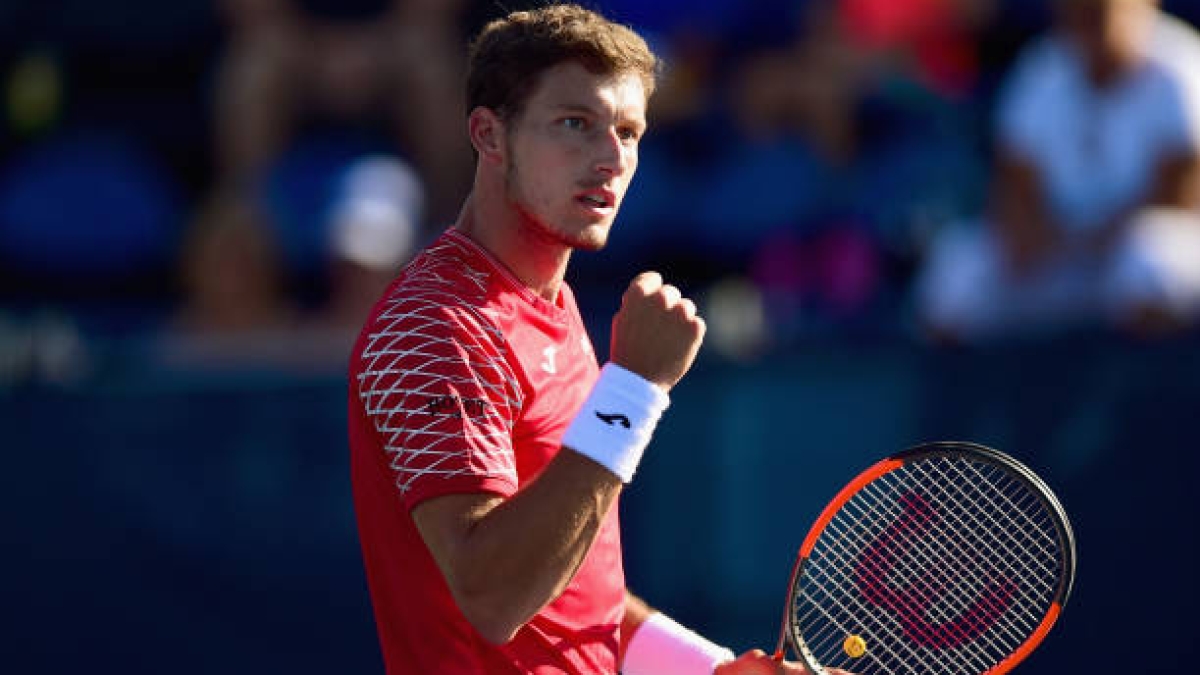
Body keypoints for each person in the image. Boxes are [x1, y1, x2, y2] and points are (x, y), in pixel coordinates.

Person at [348, 5, 824, 674]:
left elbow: (574, 593)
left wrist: (712, 668)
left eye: (628, 132)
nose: (611, 158)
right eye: (575, 123)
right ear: (489, 134)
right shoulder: (434, 325)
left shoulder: (554, 302)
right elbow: (493, 595)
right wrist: (632, 390)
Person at [916, 0, 1200, 342]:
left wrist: (1098, 238)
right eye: (1078, 10)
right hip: (1060, 255)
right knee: (958, 268)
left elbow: (1181, 196)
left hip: (1136, 251)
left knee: (1148, 261)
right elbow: (1013, 183)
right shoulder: (1043, 67)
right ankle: (971, 379)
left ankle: (1150, 375)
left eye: (1101, 11)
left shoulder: (1180, 66)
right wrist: (1031, 233)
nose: (1088, 22)